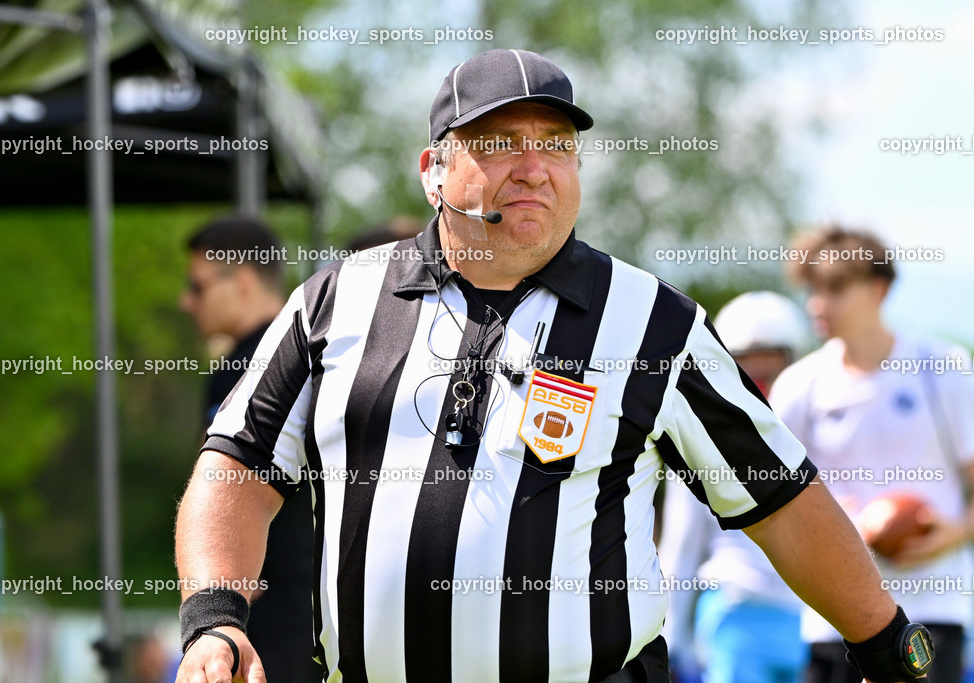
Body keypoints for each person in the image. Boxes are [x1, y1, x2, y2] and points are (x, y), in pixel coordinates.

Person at [174, 49, 936, 683]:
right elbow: (236, 462)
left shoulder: (654, 323)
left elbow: (779, 495)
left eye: (556, 144)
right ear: (432, 171)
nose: (535, 167)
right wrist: (213, 619)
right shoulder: (334, 302)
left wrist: (888, 644)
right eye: (501, 143)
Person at [769, 226, 974, 683]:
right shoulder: (800, 385)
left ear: (879, 289)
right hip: (835, 618)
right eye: (813, 289)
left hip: (931, 613)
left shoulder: (941, 367)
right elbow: (774, 501)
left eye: (836, 288)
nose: (818, 304)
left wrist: (953, 534)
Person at [180, 216, 320, 682]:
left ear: (240, 280)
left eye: (196, 286)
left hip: (267, 609)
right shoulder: (316, 345)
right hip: (318, 601)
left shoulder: (249, 361)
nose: (186, 302)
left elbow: (224, 480)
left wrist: (221, 589)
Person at [659, 291, 811, 683]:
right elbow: (681, 546)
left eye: (770, 371)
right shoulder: (698, 440)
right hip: (735, 611)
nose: (759, 386)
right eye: (746, 372)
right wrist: (670, 642)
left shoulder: (814, 430)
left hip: (812, 621)